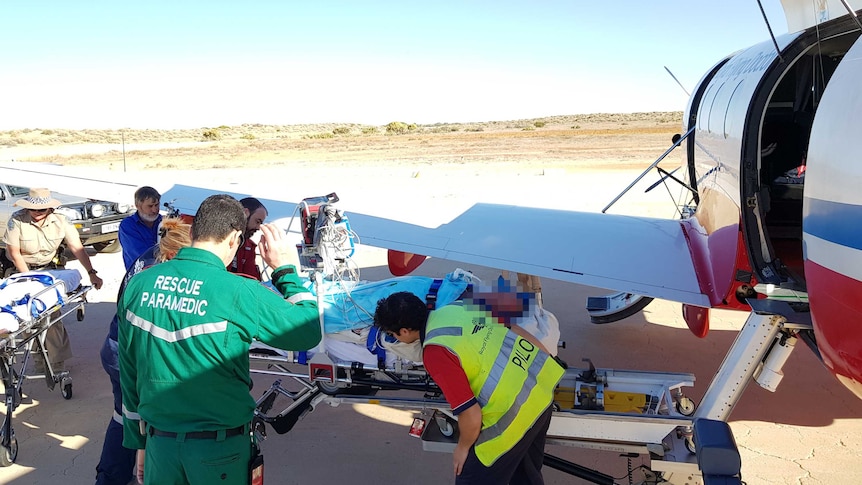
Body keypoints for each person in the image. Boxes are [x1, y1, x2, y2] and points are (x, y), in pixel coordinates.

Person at [119, 194, 321, 485]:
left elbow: (129, 373)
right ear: (234, 238)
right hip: (219, 450)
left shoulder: (139, 284)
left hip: (159, 446)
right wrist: (285, 271)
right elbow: (307, 331)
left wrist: (139, 444)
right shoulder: (238, 291)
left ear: (195, 231)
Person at [373, 290, 564, 485]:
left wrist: (462, 448)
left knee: (469, 478)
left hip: (511, 419)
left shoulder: (435, 351)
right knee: (525, 477)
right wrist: (546, 364)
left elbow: (471, 415)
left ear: (404, 331)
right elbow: (513, 329)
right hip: (540, 395)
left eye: (392, 335)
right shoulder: (460, 306)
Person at [95, 217, 192, 485]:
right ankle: (119, 476)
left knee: (125, 415)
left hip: (118, 346)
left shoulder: (151, 256)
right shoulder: (159, 274)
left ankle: (112, 476)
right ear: (175, 253)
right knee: (136, 417)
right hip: (129, 352)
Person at [2, 187, 104, 373]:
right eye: (33, 210)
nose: (37, 213)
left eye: (41, 210)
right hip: (23, 271)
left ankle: (57, 363)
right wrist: (30, 280)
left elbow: (77, 248)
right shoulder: (17, 220)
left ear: (49, 208)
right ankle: (39, 360)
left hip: (51, 271)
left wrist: (91, 272)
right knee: (27, 319)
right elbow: (14, 253)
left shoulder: (61, 220)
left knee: (52, 318)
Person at [119, 186, 162, 271]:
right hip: (139, 276)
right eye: (150, 206)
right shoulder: (128, 225)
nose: (154, 210)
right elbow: (142, 256)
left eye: (156, 205)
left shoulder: (164, 222)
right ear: (138, 206)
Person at [228, 197, 268, 280]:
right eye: (257, 221)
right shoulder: (218, 239)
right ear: (245, 213)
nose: (258, 228)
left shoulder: (249, 246)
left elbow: (252, 278)